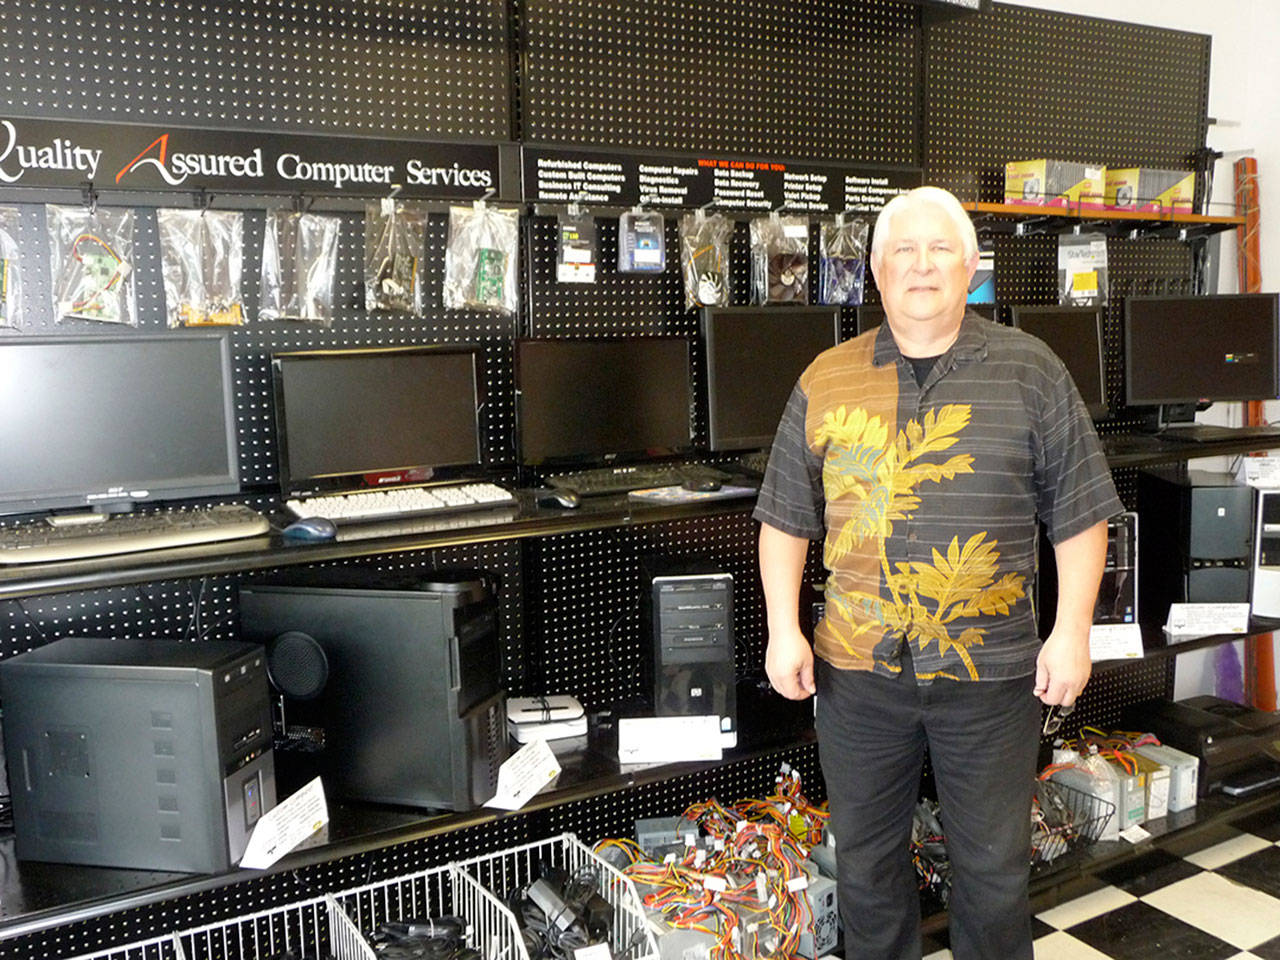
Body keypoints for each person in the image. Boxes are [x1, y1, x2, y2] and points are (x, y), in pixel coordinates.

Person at [754, 185, 1122, 960]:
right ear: (877, 273)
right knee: (865, 866)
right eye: (903, 253)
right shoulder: (827, 377)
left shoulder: (1033, 370)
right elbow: (786, 517)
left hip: (990, 673)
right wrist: (782, 630)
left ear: (972, 267)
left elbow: (1082, 514)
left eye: (940, 250)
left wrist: (1071, 633)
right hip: (856, 671)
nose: (922, 267)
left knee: (992, 870)